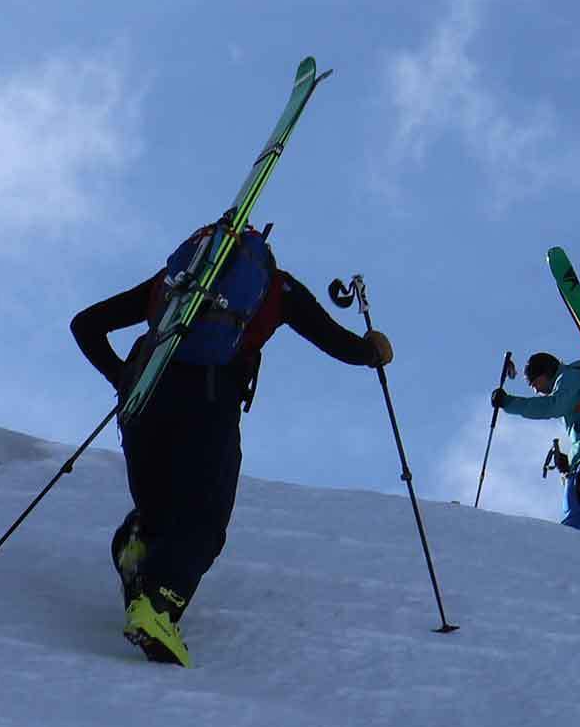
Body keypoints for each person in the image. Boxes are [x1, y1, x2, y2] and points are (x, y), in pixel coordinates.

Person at [71, 222, 391, 667]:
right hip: (209, 399)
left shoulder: (175, 282)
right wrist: (375, 350)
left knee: (162, 508)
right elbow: (340, 345)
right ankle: (158, 607)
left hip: (142, 400)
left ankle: (139, 542)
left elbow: (86, 325)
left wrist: (124, 379)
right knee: (205, 517)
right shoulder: (277, 288)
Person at [493, 352, 580, 534]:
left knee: (578, 523)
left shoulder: (569, 377)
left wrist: (508, 402)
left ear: (546, 372)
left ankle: (575, 552)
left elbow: (551, 406)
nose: (536, 390)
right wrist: (569, 462)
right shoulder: (578, 381)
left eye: (535, 383)